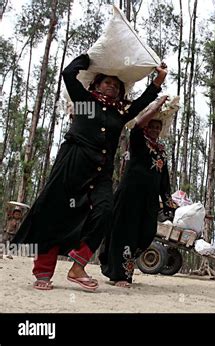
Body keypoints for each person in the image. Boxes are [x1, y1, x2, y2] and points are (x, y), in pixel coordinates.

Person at [12, 53, 168, 291]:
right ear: (96, 84)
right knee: (55, 216)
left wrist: (158, 81)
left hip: (101, 173)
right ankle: (43, 272)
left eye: (116, 85)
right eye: (107, 82)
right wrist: (90, 57)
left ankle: (78, 266)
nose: (112, 87)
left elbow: (140, 104)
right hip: (72, 167)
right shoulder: (85, 102)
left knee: (105, 212)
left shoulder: (120, 113)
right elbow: (68, 74)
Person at [99, 95, 173, 288]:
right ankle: (121, 275)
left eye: (158, 127)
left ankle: (122, 269)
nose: (155, 130)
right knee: (125, 234)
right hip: (129, 197)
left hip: (148, 201)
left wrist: (168, 205)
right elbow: (138, 124)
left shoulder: (161, 152)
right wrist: (156, 105)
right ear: (146, 128)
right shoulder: (138, 142)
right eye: (152, 127)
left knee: (146, 233)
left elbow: (164, 180)